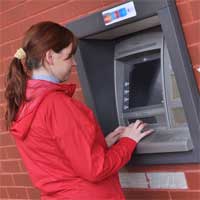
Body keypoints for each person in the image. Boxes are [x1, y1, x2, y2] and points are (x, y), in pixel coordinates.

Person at [5, 21, 153, 200]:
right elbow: (95, 169)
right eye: (69, 56)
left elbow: (57, 158)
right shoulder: (56, 104)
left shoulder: (25, 103)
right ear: (50, 57)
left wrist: (101, 144)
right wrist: (128, 142)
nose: (74, 63)